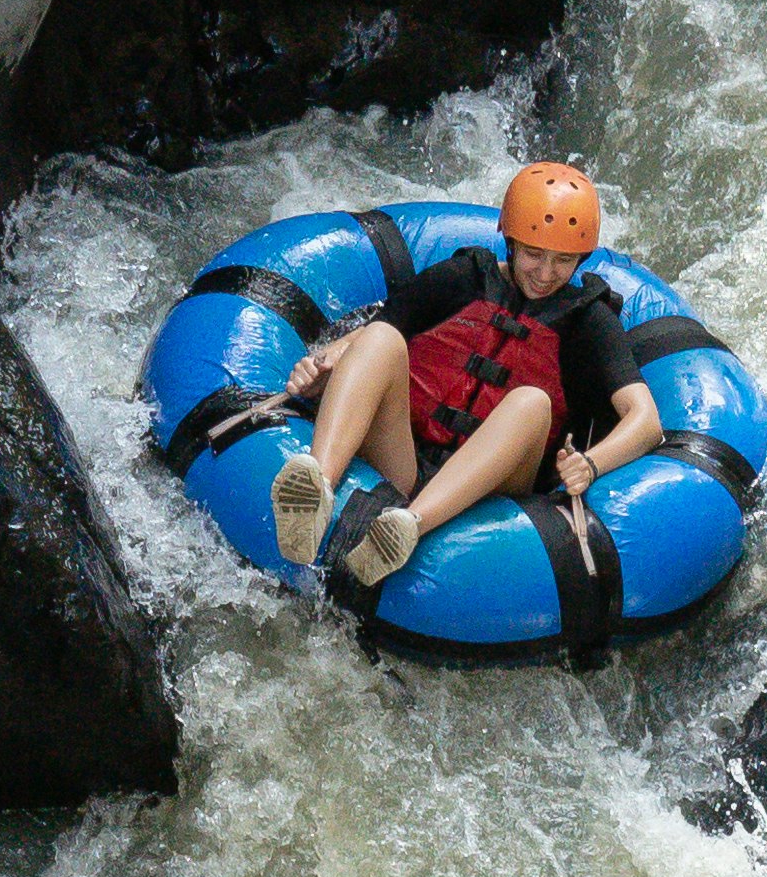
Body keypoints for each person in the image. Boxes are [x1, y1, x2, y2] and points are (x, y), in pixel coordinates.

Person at [270, 162, 665, 590]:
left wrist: (590, 464)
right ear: (510, 241)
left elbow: (646, 421)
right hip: (403, 462)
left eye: (563, 260)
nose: (546, 273)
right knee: (382, 337)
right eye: (534, 254)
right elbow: (369, 334)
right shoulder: (463, 277)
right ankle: (317, 488)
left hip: (493, 494)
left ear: (582, 259)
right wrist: (321, 366)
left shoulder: (589, 321)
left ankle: (410, 527)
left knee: (532, 402)